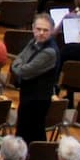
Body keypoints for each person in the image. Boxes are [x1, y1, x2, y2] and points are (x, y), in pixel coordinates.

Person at [12, 14, 60, 143]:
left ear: (52, 31)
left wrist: (18, 64)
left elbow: (23, 71)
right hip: (28, 95)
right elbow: (20, 58)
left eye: (45, 30)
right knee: (24, 131)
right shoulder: (34, 41)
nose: (41, 33)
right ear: (33, 28)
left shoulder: (49, 52)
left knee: (32, 134)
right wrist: (19, 63)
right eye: (38, 29)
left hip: (37, 99)